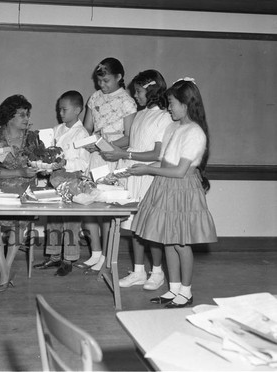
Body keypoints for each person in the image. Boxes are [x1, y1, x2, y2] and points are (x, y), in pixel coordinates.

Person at [127, 78, 217, 307]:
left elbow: (179, 171)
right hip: (166, 186)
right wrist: (144, 169)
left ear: (186, 104)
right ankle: (173, 289)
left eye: (173, 103)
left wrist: (147, 169)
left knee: (181, 243)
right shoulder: (174, 128)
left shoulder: (195, 133)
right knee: (168, 240)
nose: (169, 107)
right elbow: (166, 161)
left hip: (182, 189)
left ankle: (186, 292)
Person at [101, 69, 173, 290]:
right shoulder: (140, 115)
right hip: (133, 174)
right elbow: (132, 144)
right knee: (134, 227)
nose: (136, 96)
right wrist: (107, 148)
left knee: (150, 228)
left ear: (152, 90)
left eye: (139, 91)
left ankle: (157, 272)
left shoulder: (164, 117)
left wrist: (125, 155)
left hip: (149, 176)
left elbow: (157, 154)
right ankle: (139, 270)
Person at [77, 57, 137, 274]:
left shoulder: (127, 102)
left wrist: (106, 146)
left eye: (106, 81)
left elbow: (129, 137)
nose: (102, 86)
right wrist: (90, 142)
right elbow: (87, 128)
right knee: (89, 207)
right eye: (99, 81)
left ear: (119, 77)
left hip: (113, 156)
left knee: (106, 209)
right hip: (95, 156)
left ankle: (107, 256)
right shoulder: (94, 98)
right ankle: (94, 253)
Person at [0, 94, 40, 292]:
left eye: (28, 114)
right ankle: (5, 271)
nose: (27, 119)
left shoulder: (33, 138)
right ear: (9, 116)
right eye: (22, 115)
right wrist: (19, 172)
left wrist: (40, 167)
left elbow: (39, 163)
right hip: (0, 190)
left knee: (19, 223)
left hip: (24, 190)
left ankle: (5, 269)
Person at [34, 90, 90, 276]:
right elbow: (49, 154)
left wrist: (65, 163)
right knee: (54, 219)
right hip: (55, 178)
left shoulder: (82, 133)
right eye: (59, 109)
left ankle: (69, 258)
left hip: (71, 179)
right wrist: (44, 165)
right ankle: (54, 255)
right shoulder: (57, 130)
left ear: (77, 110)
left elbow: (83, 163)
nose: (60, 113)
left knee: (71, 221)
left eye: (64, 109)